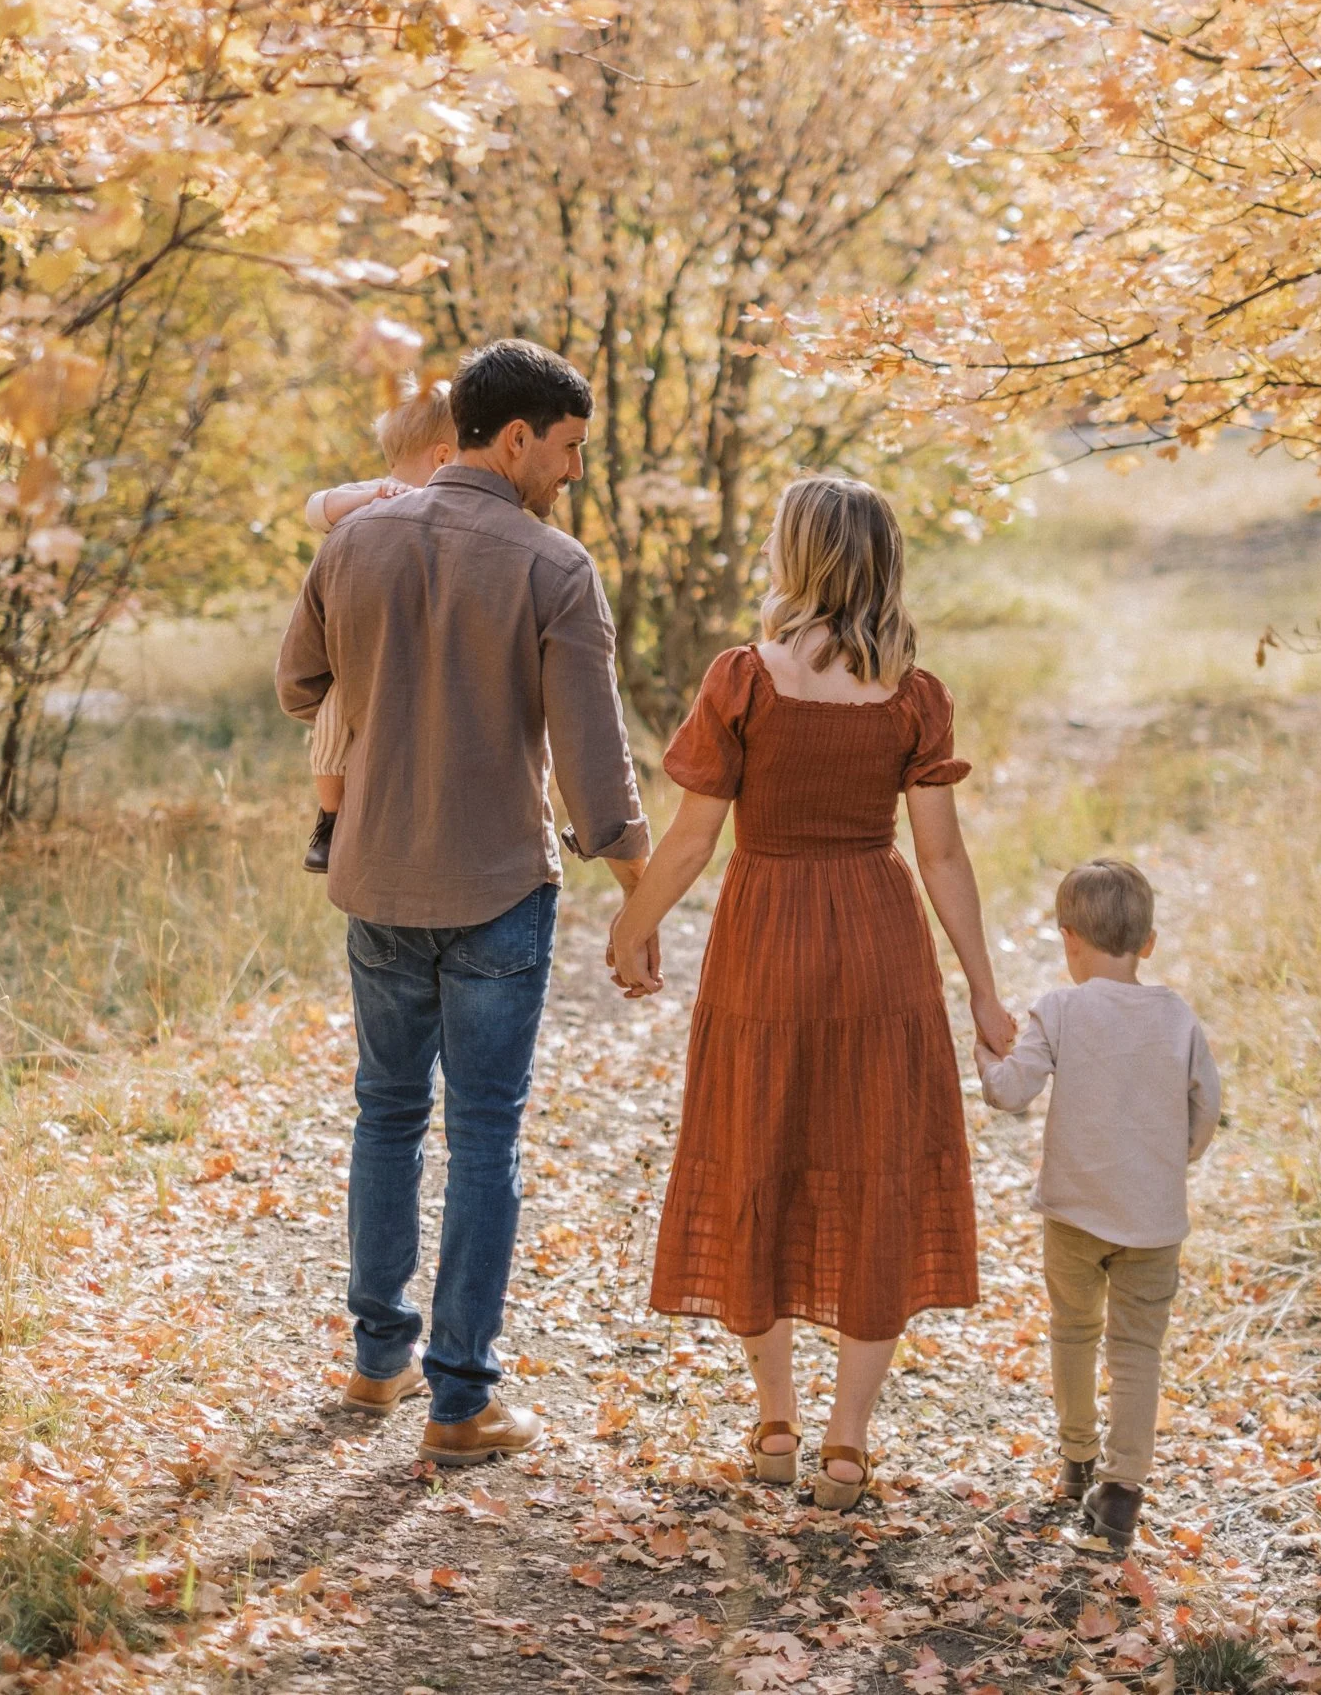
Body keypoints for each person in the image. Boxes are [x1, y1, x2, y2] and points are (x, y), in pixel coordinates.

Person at [276, 338, 652, 1467]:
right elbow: (595, 764)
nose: (574, 472)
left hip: (377, 877)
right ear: (516, 436)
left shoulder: (356, 540)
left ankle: (374, 1360)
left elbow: (300, 683)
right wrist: (643, 890)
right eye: (570, 448)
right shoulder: (553, 566)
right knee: (483, 1136)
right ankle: (460, 1404)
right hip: (494, 889)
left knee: (386, 1113)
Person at [610, 475, 1015, 1510]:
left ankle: (774, 1421)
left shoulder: (744, 678)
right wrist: (981, 988)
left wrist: (632, 923)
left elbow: (695, 838)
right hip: (880, 943)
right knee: (875, 1167)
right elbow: (944, 858)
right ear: (882, 559)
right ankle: (846, 1444)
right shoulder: (914, 694)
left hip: (767, 939)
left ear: (797, 557)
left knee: (758, 1153)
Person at [975, 858, 1221, 1554]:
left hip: (1073, 1213)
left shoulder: (1059, 1008)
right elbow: (1206, 1105)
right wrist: (1177, 1157)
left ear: (1067, 939)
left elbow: (1010, 1093)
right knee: (1137, 1350)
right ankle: (1119, 1493)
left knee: (1073, 1333)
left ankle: (1076, 1456)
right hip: (1153, 1220)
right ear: (1146, 944)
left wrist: (984, 1055)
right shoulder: (1177, 1017)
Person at [299, 376, 457, 875]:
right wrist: (367, 494)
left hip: (404, 642)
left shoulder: (455, 511)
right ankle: (329, 817)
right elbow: (314, 508)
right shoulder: (370, 498)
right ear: (443, 458)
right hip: (361, 653)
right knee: (329, 725)